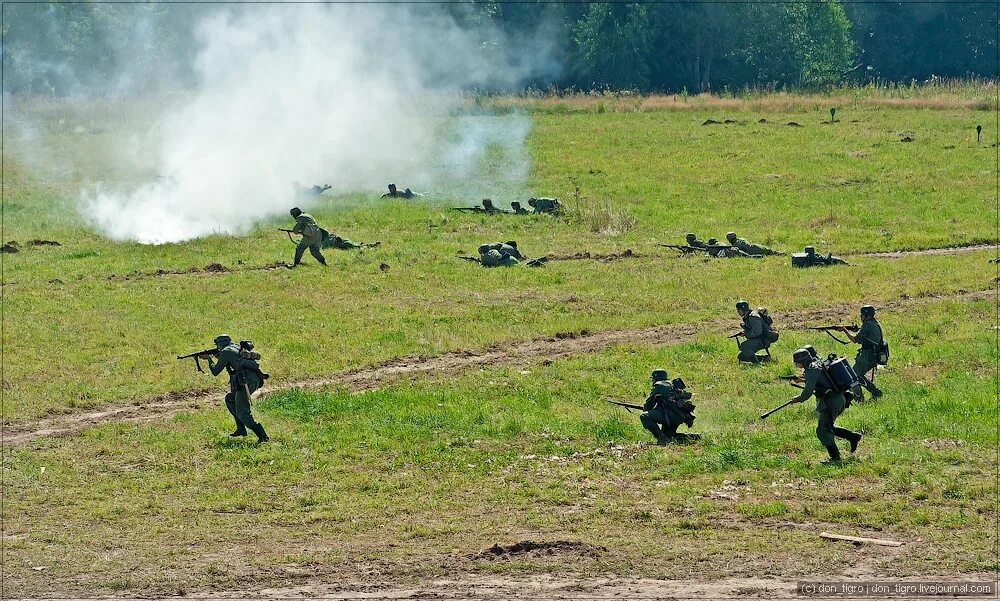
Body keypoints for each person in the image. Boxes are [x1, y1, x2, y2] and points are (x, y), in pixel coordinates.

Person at [788, 348, 861, 462]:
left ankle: (835, 458)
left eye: (797, 362)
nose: (796, 365)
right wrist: (802, 380)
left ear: (804, 360)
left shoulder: (811, 370)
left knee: (823, 430)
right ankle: (852, 436)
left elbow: (807, 392)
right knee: (827, 425)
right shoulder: (816, 363)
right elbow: (820, 380)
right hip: (837, 398)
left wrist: (797, 399)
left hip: (830, 402)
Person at [202, 335, 269, 443]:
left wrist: (209, 359)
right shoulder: (235, 347)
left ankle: (263, 436)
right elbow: (232, 359)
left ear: (219, 344)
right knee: (230, 398)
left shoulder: (225, 352)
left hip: (246, 382)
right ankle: (241, 428)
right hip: (253, 378)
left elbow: (215, 371)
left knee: (243, 412)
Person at [638, 369, 697, 445]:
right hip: (679, 416)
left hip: (669, 416)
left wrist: (645, 409)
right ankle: (695, 437)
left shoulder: (659, 385)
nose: (652, 381)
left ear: (656, 378)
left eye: (653, 379)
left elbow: (649, 405)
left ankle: (662, 439)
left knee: (644, 416)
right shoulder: (670, 384)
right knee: (669, 436)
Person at [839, 305, 885, 400]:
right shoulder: (873, 323)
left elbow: (855, 339)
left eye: (862, 315)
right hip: (872, 355)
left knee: (853, 376)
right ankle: (875, 392)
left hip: (867, 356)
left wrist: (844, 330)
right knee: (857, 375)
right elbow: (866, 334)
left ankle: (860, 398)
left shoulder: (867, 325)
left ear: (866, 315)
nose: (860, 317)